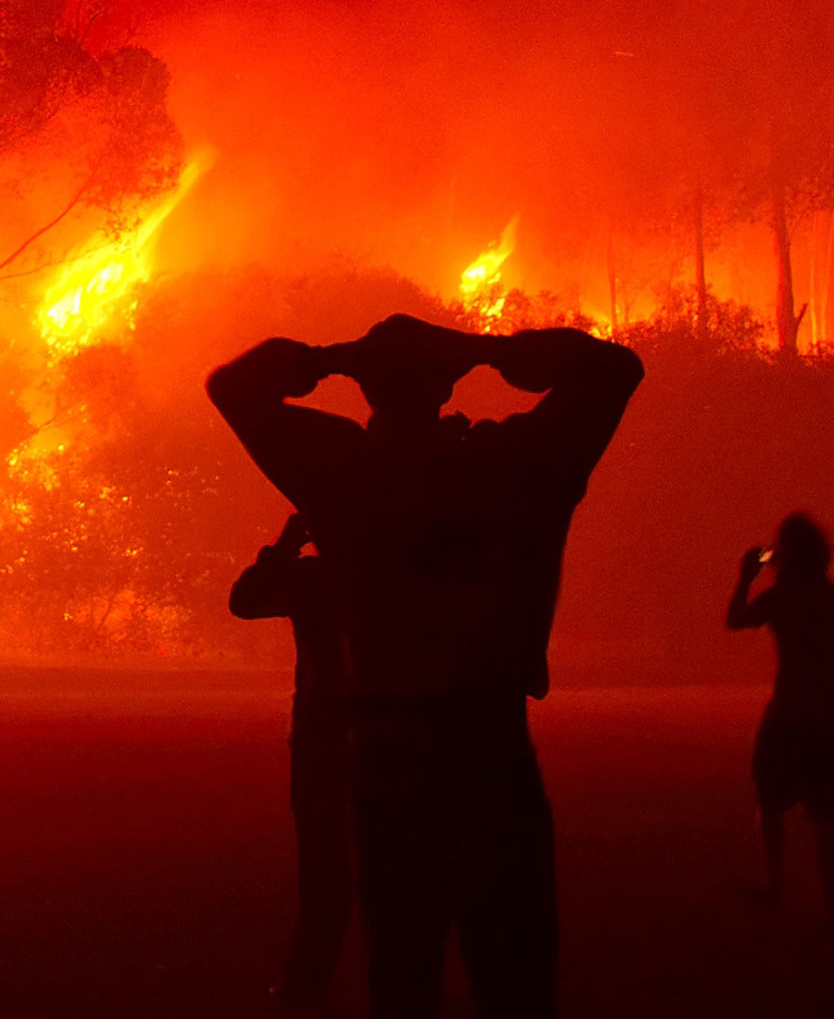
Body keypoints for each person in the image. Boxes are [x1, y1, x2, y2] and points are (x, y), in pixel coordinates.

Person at [208, 314, 642, 1019]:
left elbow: (234, 387)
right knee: (516, 974)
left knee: (404, 969)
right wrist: (484, 350)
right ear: (447, 382)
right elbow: (615, 370)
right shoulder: (519, 467)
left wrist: (331, 353)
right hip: (491, 742)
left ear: (369, 388)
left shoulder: (342, 472)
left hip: (389, 749)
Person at [230, 512, 353, 1008]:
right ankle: (412, 989)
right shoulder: (400, 569)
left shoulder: (313, 580)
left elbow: (245, 601)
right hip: (386, 736)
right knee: (401, 873)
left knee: (324, 873)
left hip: (324, 737)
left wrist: (284, 547)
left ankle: (305, 987)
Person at [726, 513, 834, 920]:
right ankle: (832, 899)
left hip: (791, 708)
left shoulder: (781, 597)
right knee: (826, 811)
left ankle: (775, 882)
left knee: (771, 796)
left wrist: (747, 576)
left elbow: (735, 620)